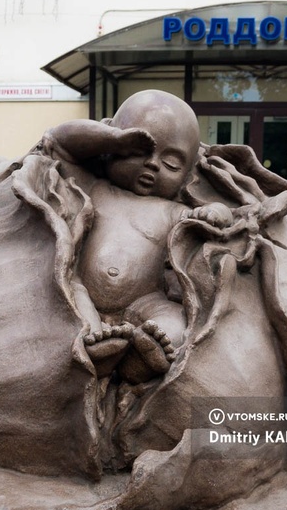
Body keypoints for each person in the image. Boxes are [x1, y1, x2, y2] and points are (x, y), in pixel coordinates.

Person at [40, 90, 232, 383]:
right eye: (138, 151)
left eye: (170, 164)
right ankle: (97, 348)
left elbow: (224, 215)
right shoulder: (95, 188)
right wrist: (112, 138)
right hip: (84, 291)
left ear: (187, 176)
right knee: (72, 294)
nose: (152, 164)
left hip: (145, 301)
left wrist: (215, 212)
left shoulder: (173, 210)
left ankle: (141, 361)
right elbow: (57, 142)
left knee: (174, 323)